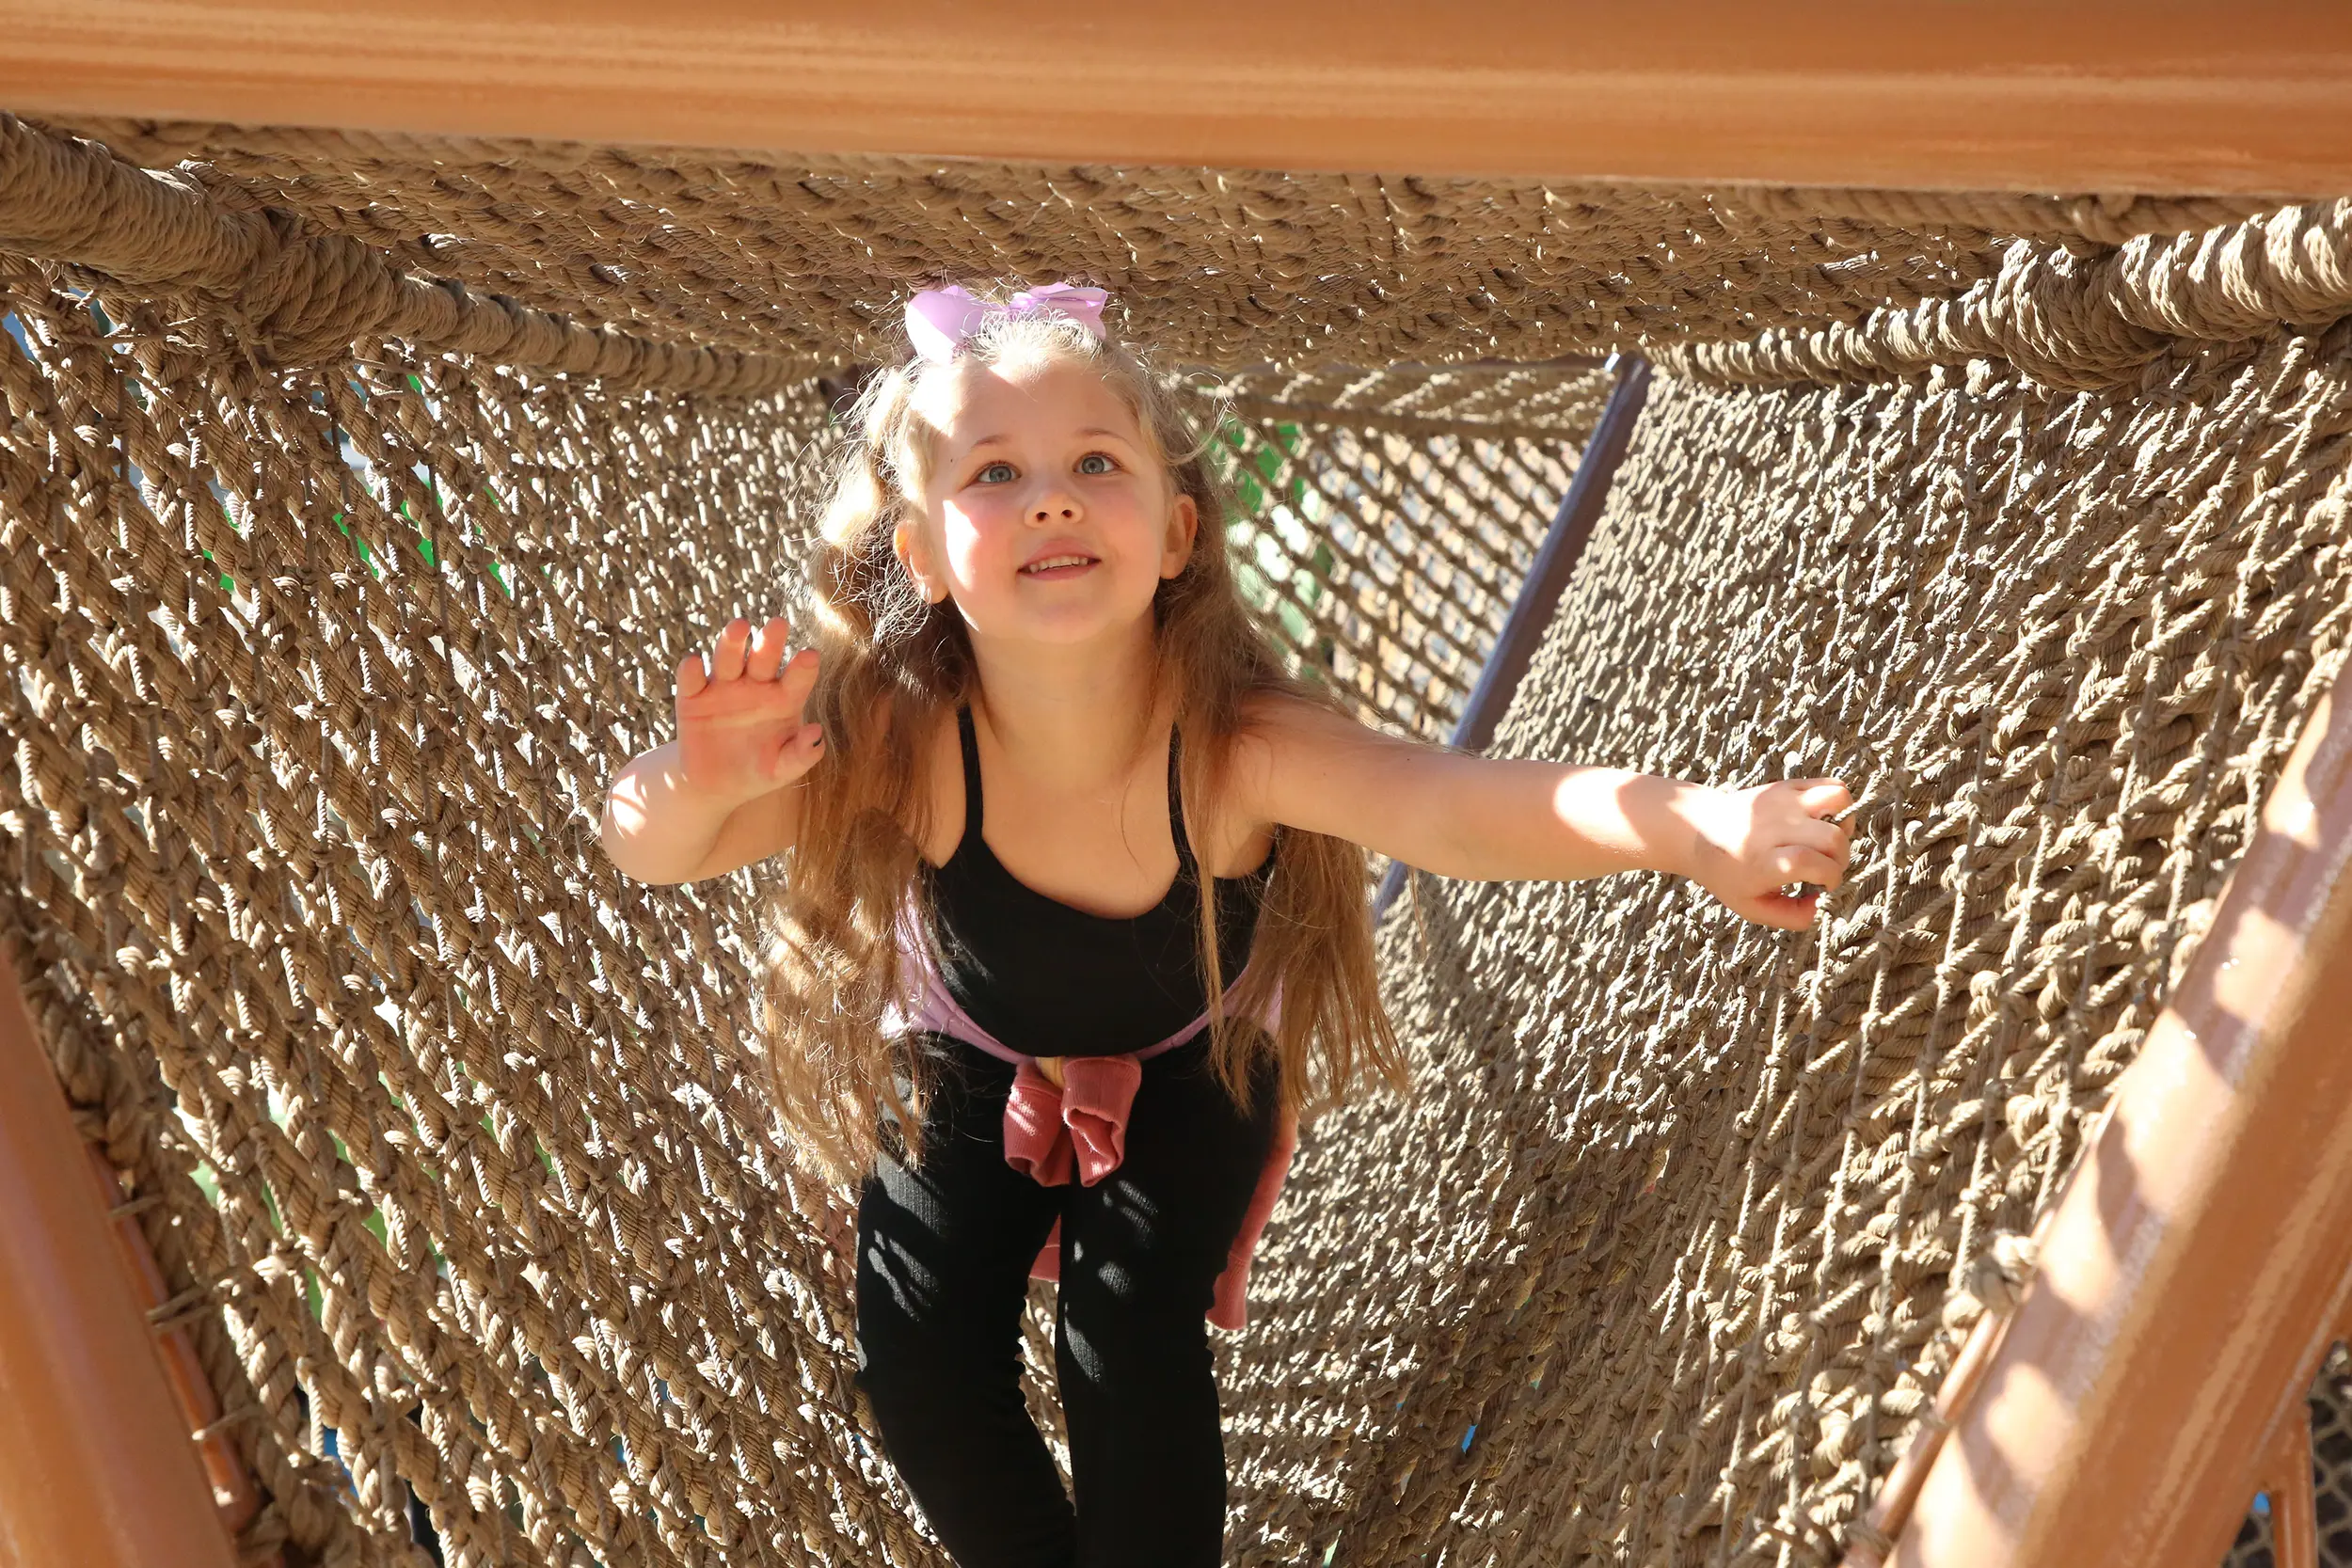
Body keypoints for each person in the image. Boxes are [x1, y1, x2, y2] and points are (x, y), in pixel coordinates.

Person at [598, 282, 1851, 1568]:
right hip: (968, 1050)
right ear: (919, 555)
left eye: (1096, 460)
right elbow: (651, 844)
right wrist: (701, 779)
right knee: (916, 1348)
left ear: (1179, 530)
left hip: (1200, 1071)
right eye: (993, 472)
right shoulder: (913, 742)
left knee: (1123, 1331)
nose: (1051, 496)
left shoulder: (1237, 744)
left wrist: (1688, 825)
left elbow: (1460, 810)